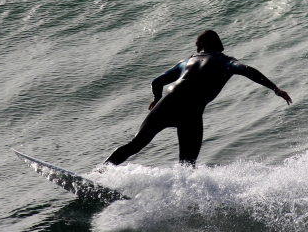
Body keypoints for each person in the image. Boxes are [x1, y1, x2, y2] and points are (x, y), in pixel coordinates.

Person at [105, 30, 292, 167]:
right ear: (218, 45)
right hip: (191, 112)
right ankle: (183, 202)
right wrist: (275, 88)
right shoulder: (224, 61)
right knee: (187, 165)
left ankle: (100, 172)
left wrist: (157, 98)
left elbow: (157, 82)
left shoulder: (186, 62)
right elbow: (246, 70)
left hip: (169, 103)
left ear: (200, 46)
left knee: (135, 144)